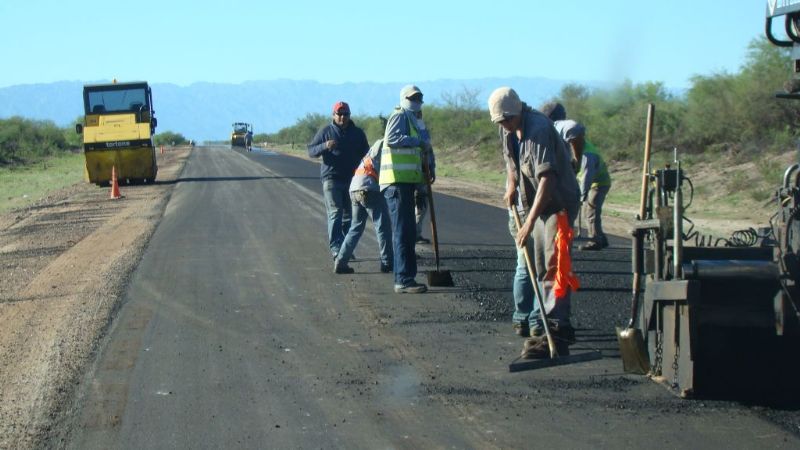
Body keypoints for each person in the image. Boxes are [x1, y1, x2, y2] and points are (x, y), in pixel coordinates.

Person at [488, 87, 580, 358]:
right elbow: (512, 164)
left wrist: (527, 224)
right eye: (500, 122)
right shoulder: (506, 129)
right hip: (536, 205)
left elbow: (547, 179)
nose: (504, 126)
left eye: (507, 120)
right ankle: (547, 325)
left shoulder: (538, 129)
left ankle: (557, 330)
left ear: (518, 112)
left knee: (556, 263)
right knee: (540, 263)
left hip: (558, 202)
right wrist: (512, 186)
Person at [380, 85, 435, 294]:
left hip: (406, 182)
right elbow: (392, 139)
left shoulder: (414, 119)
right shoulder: (399, 115)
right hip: (395, 182)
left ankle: (406, 277)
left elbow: (424, 148)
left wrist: (428, 168)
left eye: (420, 97)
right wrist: (417, 142)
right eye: (413, 97)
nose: (417, 100)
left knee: (409, 232)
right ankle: (403, 279)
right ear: (404, 98)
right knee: (403, 232)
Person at [308, 101, 369, 260]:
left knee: (349, 216)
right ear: (333, 115)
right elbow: (311, 151)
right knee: (335, 213)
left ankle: (345, 248)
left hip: (353, 180)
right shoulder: (326, 131)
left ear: (349, 115)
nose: (342, 117)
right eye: (339, 114)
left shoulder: (357, 133)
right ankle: (336, 248)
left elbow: (367, 155)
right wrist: (324, 146)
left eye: (345, 114)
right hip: (331, 179)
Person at [334, 138, 393, 274]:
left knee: (355, 227)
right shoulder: (387, 145)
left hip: (354, 188)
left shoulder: (375, 147)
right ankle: (387, 262)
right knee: (382, 226)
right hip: (369, 188)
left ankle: (341, 262)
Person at [555, 120, 612, 251]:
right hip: (595, 182)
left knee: (591, 211)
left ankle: (595, 240)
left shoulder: (587, 154)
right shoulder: (581, 146)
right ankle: (601, 238)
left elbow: (587, 175)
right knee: (591, 211)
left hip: (598, 183)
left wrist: (581, 195)